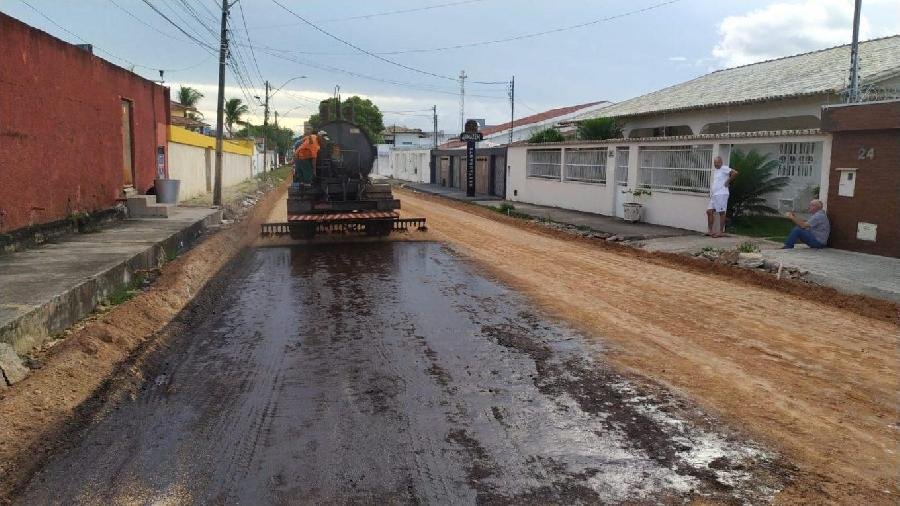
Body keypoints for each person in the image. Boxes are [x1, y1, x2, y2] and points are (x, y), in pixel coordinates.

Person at [706, 155, 738, 237]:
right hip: (715, 195)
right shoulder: (716, 170)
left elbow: (735, 173)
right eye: (714, 163)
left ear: (721, 162)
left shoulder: (724, 168)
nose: (715, 164)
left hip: (721, 194)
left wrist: (728, 182)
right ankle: (710, 231)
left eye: (717, 163)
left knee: (721, 212)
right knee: (709, 211)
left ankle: (720, 232)